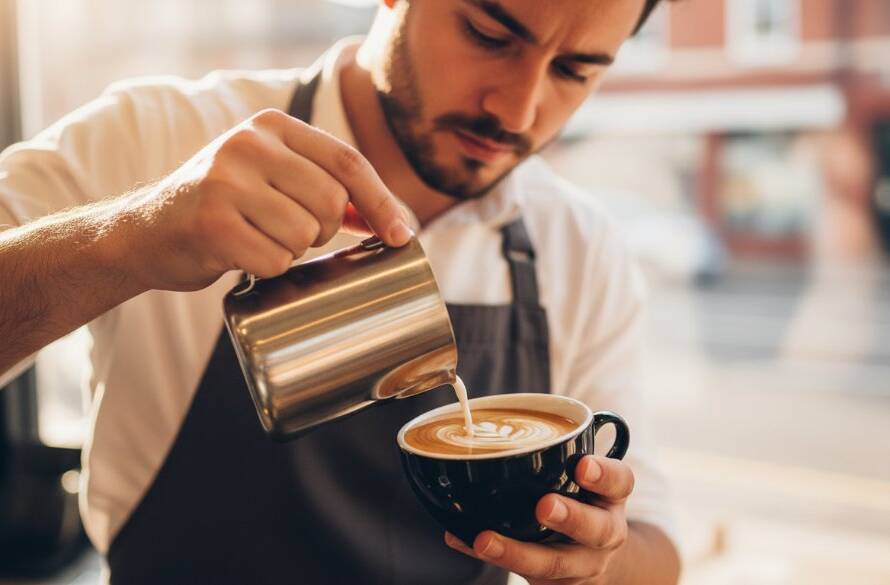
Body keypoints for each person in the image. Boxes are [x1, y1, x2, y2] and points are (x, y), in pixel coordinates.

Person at [0, 0, 681, 583]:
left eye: (574, 70)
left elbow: (656, 543)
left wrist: (596, 556)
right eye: (488, 35)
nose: (519, 108)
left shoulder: (581, 248)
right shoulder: (153, 137)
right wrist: (132, 237)